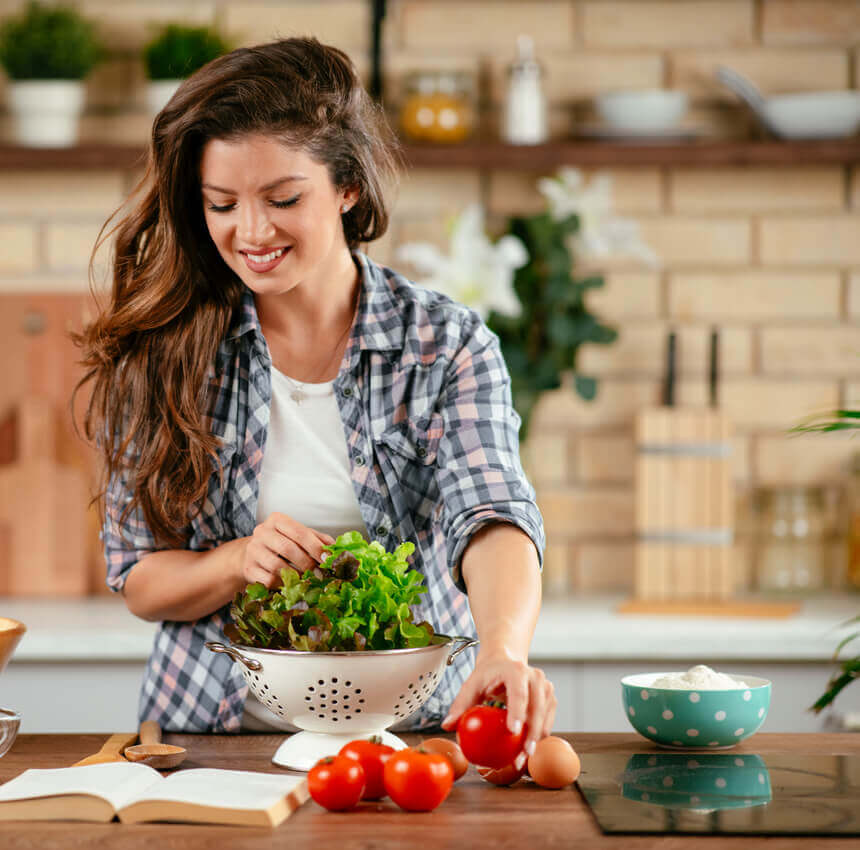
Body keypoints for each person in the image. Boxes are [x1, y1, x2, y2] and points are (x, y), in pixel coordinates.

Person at [78, 37, 553, 763]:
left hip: (416, 741)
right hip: (207, 742)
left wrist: (505, 649)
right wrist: (238, 560)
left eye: (283, 198)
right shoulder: (164, 350)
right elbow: (142, 577)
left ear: (347, 186)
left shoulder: (446, 344)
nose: (252, 232)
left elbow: (489, 513)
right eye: (222, 204)